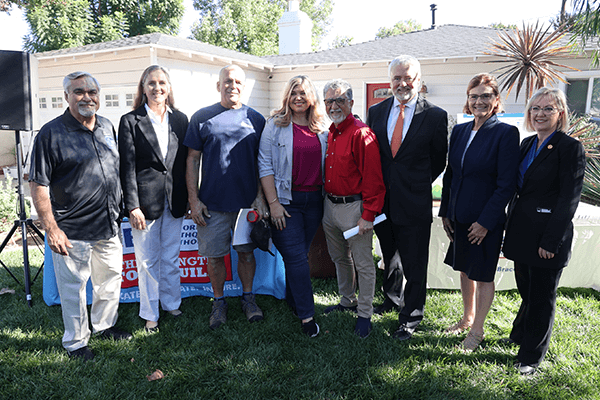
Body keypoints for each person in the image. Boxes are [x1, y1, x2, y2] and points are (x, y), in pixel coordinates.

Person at [29, 71, 132, 361]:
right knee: (74, 289)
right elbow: (38, 184)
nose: (87, 96)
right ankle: (75, 343)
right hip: (72, 229)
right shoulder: (51, 133)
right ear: (66, 97)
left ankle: (104, 325)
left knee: (110, 280)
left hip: (109, 225)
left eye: (92, 91)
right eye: (78, 92)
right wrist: (52, 228)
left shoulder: (107, 127)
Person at [502, 88, 586, 375]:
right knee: (527, 290)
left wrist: (551, 240)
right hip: (521, 232)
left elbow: (568, 199)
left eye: (548, 109)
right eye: (535, 108)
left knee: (541, 298)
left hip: (547, 237)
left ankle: (530, 357)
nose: (540, 114)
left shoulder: (569, 147)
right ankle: (520, 334)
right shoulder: (526, 144)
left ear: (560, 113)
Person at [366, 55, 448, 341]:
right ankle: (391, 298)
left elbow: (439, 159)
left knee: (414, 261)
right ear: (390, 82)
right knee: (389, 254)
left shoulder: (435, 116)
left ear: (419, 81)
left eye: (408, 77)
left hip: (414, 200)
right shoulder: (376, 112)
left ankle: (411, 316)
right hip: (382, 200)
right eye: (396, 78)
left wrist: (414, 183)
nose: (402, 83)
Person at [439, 73, 520, 351]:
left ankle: (477, 330)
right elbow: (451, 174)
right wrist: (446, 212)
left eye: (486, 96)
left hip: (486, 220)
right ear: (468, 99)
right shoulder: (460, 131)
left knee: (483, 274)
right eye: (474, 96)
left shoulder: (506, 133)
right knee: (464, 269)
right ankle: (466, 317)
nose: (479, 101)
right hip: (459, 216)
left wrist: (485, 222)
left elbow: (506, 184)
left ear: (496, 100)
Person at [184, 65, 267, 330]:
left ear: (244, 86)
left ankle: (248, 298)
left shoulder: (256, 119)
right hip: (212, 205)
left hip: (246, 206)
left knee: (246, 254)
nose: (233, 85)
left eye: (238, 81)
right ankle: (218, 302)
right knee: (215, 258)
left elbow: (262, 162)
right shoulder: (202, 117)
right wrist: (194, 200)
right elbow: (192, 159)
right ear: (218, 85)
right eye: (227, 81)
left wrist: (260, 198)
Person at [118, 65, 189, 333]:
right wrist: (132, 205)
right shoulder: (130, 120)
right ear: (143, 88)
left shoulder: (181, 119)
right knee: (147, 262)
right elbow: (126, 167)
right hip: (144, 205)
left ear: (169, 88)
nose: (157, 88)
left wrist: (191, 198)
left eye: (162, 83)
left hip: (175, 201)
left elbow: (184, 163)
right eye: (151, 83)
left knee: (171, 257)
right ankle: (150, 313)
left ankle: (172, 303)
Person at [258, 75, 327, 337]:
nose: (298, 97)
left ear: (312, 98)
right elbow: (264, 164)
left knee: (299, 254)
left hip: (314, 203)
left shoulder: (321, 127)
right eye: (294, 92)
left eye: (304, 92)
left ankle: (292, 297)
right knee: (297, 259)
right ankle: (307, 317)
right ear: (287, 96)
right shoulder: (274, 125)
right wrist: (273, 204)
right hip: (286, 203)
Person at [321, 79, 386, 338]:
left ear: (351, 102)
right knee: (339, 258)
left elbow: (374, 179)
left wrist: (368, 215)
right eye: (329, 101)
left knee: (363, 263)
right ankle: (347, 300)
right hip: (331, 206)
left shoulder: (361, 133)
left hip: (355, 208)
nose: (334, 105)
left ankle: (365, 313)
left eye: (339, 100)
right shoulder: (332, 132)